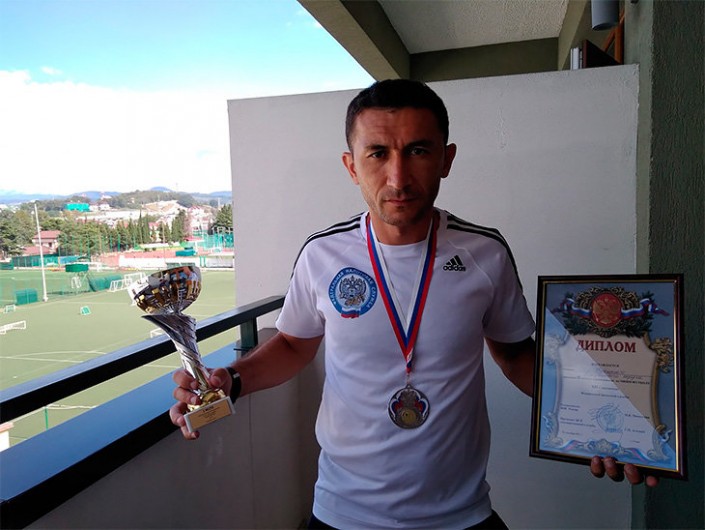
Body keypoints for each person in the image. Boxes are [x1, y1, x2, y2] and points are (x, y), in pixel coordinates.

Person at [170, 79, 657, 529]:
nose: (398, 177)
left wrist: (604, 422)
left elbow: (514, 353)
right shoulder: (322, 254)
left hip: (460, 514)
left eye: (418, 150)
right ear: (351, 165)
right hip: (342, 513)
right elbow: (295, 344)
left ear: (446, 158)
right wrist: (231, 380)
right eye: (378, 153)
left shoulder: (485, 253)